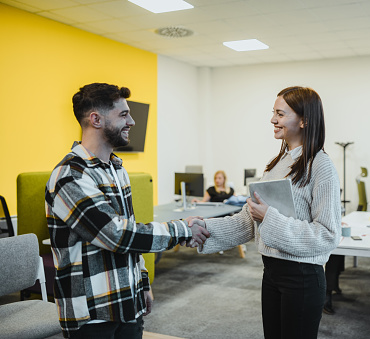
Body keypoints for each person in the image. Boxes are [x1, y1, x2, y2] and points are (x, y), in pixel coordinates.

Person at [45, 83, 210, 338]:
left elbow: (129, 227)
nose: (131, 121)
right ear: (96, 119)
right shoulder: (70, 177)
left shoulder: (116, 169)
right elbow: (116, 234)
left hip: (127, 302)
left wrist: (142, 282)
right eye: (123, 114)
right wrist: (182, 229)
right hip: (92, 311)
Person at [190, 86, 341, 339]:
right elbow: (250, 221)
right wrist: (205, 228)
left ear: (304, 120)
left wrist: (269, 217)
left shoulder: (321, 166)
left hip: (302, 277)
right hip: (271, 272)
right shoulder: (277, 165)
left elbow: (327, 235)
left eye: (280, 114)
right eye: (273, 113)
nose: (273, 120)